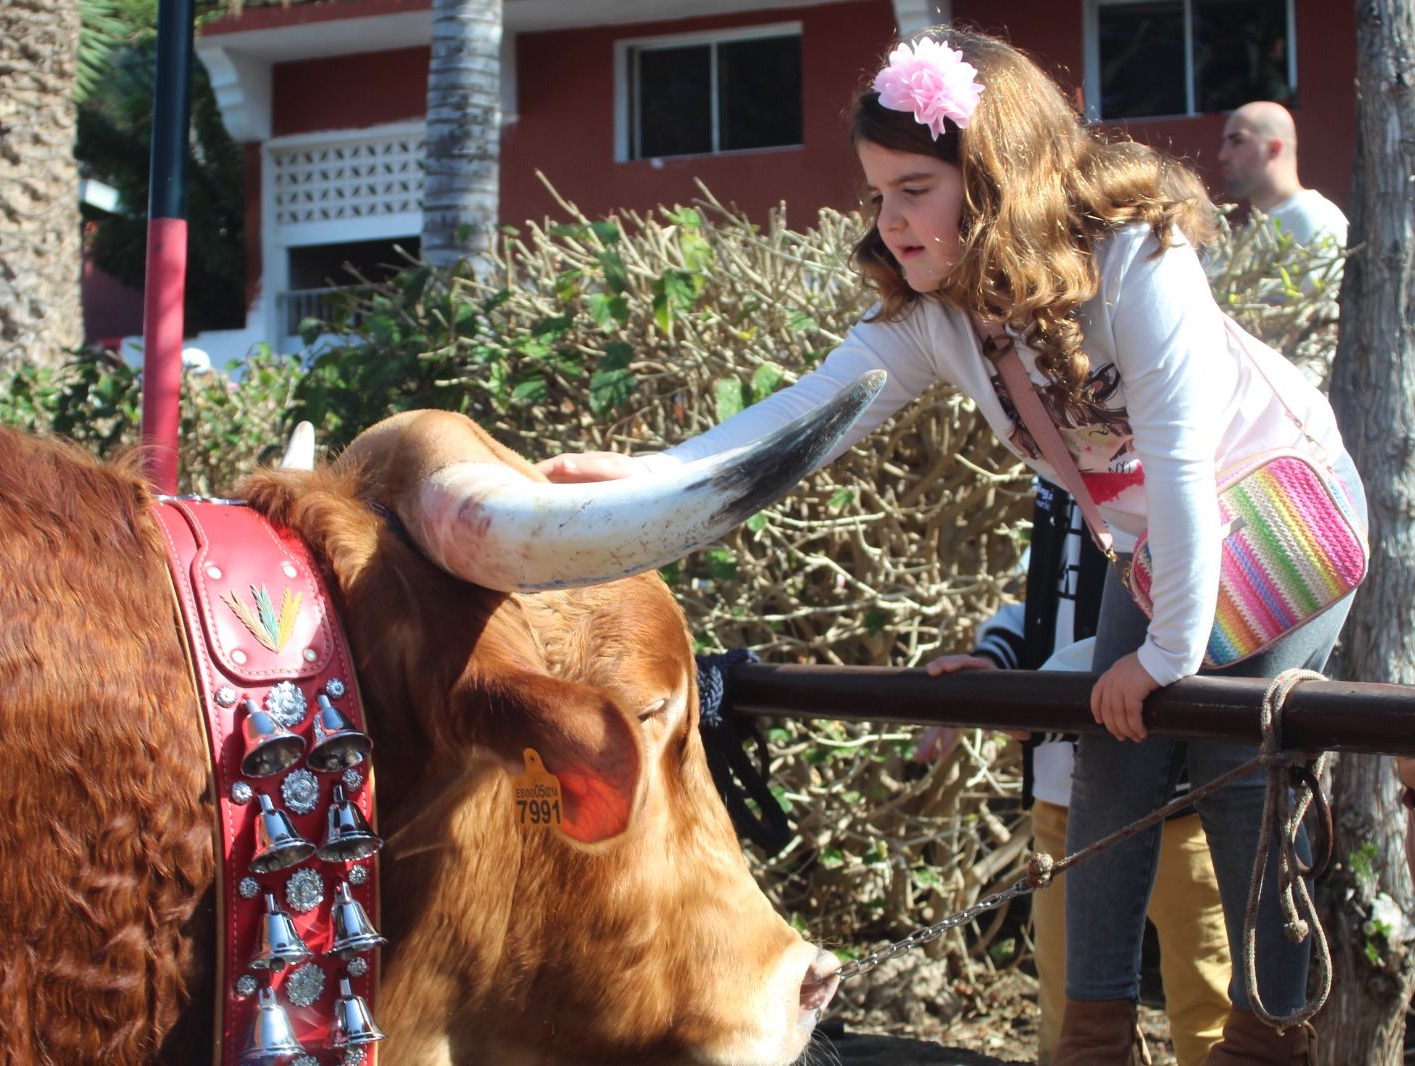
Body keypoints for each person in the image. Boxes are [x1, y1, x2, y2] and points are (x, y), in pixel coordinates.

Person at [538, 27, 1365, 1065]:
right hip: (1167, 550)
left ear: (995, 180)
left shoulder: (1135, 255)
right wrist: (648, 472)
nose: (889, 221)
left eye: (914, 188)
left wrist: (1163, 659)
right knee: (1107, 738)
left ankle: (1269, 1043)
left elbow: (1184, 461)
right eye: (878, 193)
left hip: (1284, 512)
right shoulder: (938, 317)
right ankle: (1093, 1039)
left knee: (1241, 752)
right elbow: (801, 417)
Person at [921, 479, 1231, 1066]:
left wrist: (1034, 701)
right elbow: (1048, 604)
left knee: (1211, 1012)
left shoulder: (1168, 457)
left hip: (1181, 795)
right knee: (1070, 1020)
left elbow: (1186, 617)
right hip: (1065, 793)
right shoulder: (1058, 468)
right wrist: (999, 664)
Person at [1218, 102, 1348, 259]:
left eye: (1237, 141)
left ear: (1274, 149)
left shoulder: (1315, 219)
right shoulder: (1250, 230)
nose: (1223, 155)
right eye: (1224, 143)